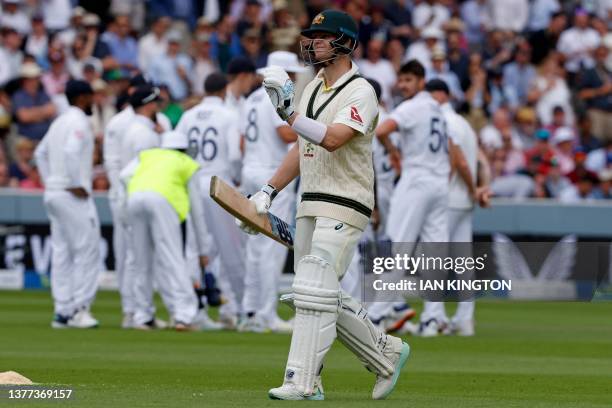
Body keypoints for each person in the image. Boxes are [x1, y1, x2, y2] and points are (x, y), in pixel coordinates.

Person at [242, 10, 409, 400]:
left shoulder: (361, 91)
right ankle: (386, 352)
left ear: (346, 43)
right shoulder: (313, 86)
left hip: (346, 199)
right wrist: (268, 191)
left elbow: (333, 139)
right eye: (313, 37)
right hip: (309, 199)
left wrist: (289, 113)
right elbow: (303, 146)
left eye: (323, 36)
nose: (314, 43)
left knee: (315, 286)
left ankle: (302, 381)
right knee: (313, 292)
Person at [375, 62, 459, 336]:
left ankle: (377, 314)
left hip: (417, 180)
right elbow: (449, 149)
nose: (403, 85)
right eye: (401, 80)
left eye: (409, 80)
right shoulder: (438, 110)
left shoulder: (412, 107)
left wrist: (391, 151)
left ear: (421, 82)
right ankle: (433, 319)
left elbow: (382, 130)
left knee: (396, 246)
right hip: (438, 182)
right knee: (435, 252)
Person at [238, 51, 303, 334]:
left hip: (251, 168)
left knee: (254, 248)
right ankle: (265, 315)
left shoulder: (251, 97)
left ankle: (250, 311)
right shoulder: (273, 94)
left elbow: (242, 140)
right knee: (271, 245)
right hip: (272, 173)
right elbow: (285, 134)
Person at [120, 131, 210, 331]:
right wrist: (203, 250)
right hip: (162, 201)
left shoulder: (149, 155)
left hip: (134, 197)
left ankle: (143, 315)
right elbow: (197, 211)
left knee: (141, 260)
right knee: (173, 258)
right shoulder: (187, 162)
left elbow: (123, 175)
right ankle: (184, 316)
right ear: (185, 149)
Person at [176, 72, 244, 330]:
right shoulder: (229, 115)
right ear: (225, 89)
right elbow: (236, 155)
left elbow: (179, 149)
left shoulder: (188, 115)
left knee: (195, 249)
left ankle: (195, 311)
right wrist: (236, 180)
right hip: (219, 184)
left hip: (193, 182)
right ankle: (231, 309)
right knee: (228, 247)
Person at [103, 76, 170, 329]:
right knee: (130, 256)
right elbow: (114, 162)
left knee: (140, 256)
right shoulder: (123, 124)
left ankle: (141, 310)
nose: (158, 106)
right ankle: (132, 310)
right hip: (129, 194)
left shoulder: (157, 123)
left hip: (143, 194)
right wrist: (119, 192)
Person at [34, 80, 101, 329]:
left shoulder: (59, 121)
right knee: (87, 250)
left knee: (62, 252)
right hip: (71, 194)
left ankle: (62, 311)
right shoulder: (79, 121)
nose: (94, 101)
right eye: (91, 96)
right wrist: (76, 183)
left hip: (54, 192)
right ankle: (79, 310)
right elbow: (72, 152)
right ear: (82, 97)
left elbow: (40, 154)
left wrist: (50, 181)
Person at [428, 78, 490, 336]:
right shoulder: (464, 122)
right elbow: (482, 161)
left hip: (449, 199)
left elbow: (460, 162)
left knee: (436, 259)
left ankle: (436, 318)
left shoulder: (445, 121)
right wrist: (481, 188)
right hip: (464, 201)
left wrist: (472, 186)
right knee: (463, 262)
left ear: (440, 95)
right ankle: (465, 320)